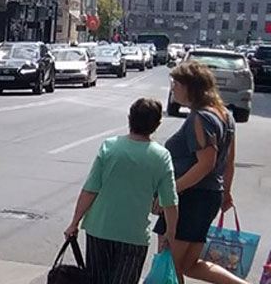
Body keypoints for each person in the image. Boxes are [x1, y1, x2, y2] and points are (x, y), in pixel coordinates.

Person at [64, 98, 180, 284]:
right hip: (133, 236)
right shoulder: (161, 156)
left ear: (129, 118)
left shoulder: (109, 147)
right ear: (157, 124)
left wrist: (74, 223)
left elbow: (90, 190)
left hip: (99, 229)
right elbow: (170, 202)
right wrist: (170, 234)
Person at [154, 61, 243, 284]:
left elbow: (206, 163)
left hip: (190, 198)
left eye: (177, 84)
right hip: (208, 196)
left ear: (190, 88)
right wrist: (226, 191)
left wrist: (170, 193)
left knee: (171, 264)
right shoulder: (224, 114)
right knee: (187, 264)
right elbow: (229, 161)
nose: (173, 88)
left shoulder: (200, 118)